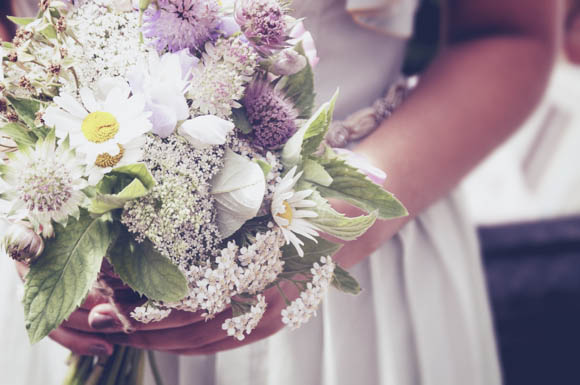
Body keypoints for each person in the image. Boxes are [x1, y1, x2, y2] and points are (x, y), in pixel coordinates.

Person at [1, 0, 560, 384]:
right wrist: (37, 205)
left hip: (346, 282)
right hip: (60, 232)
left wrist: (321, 235)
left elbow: (509, 33)